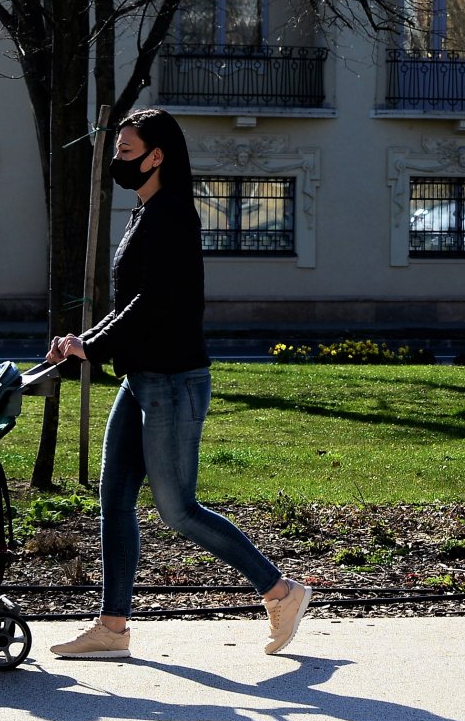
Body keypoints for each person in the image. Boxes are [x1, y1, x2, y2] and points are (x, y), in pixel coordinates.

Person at [45, 107, 310, 660]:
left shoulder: (172, 216)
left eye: (124, 152)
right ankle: (112, 628)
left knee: (178, 509)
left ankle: (282, 592)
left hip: (172, 380)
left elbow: (152, 304)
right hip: (141, 377)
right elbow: (128, 304)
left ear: (156, 156)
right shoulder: (143, 214)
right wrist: (83, 338)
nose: (117, 161)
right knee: (113, 498)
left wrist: (92, 347)